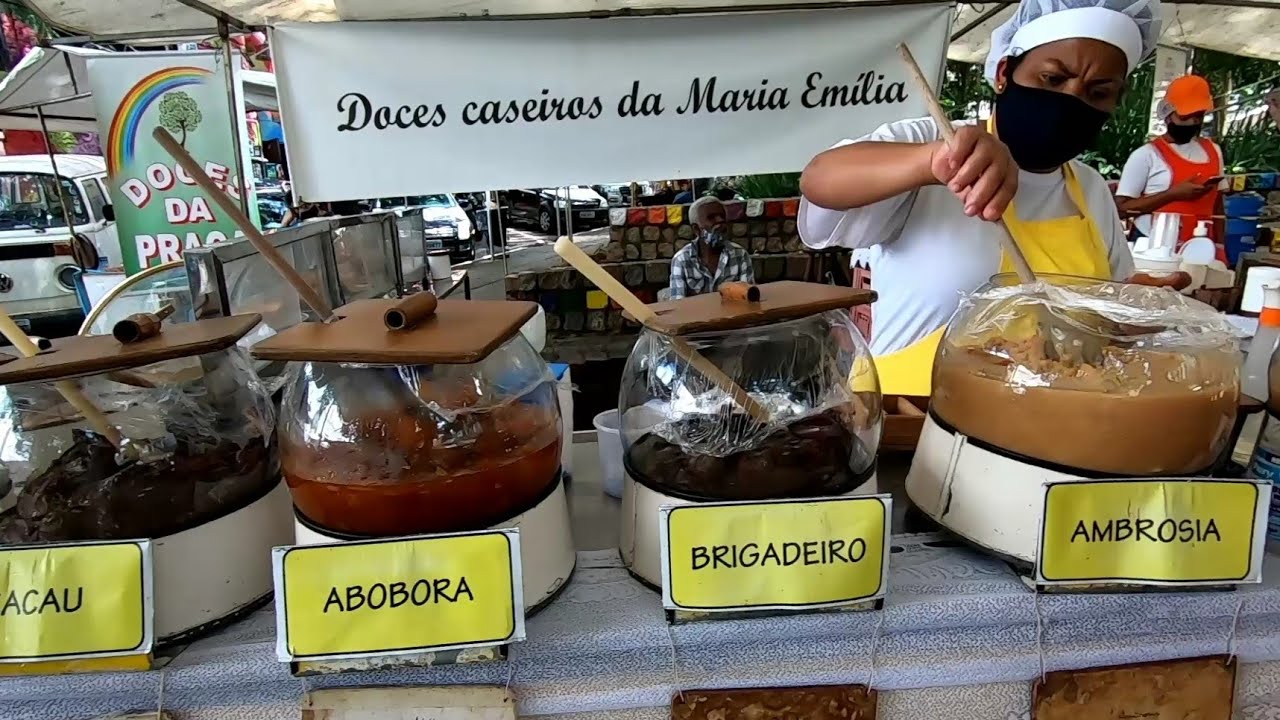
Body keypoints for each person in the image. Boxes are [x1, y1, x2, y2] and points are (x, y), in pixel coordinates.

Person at [798, 0, 1160, 397]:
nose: (1072, 101)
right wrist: (934, 162)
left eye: (1098, 92)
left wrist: (1139, 305)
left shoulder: (1090, 189)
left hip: (1048, 427)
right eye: (1053, 79)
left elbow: (1109, 307)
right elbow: (820, 179)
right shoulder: (935, 143)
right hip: (913, 428)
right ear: (1005, 72)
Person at [1116, 74, 1224, 254]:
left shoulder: (1213, 151)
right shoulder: (1146, 155)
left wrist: (1220, 245)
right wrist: (1172, 194)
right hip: (1153, 246)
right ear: (1167, 115)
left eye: (1198, 117)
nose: (1192, 122)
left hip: (1200, 247)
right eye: (1185, 117)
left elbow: (1218, 205)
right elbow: (1121, 209)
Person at [669, 196, 754, 299]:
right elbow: (679, 306)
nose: (720, 220)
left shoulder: (740, 255)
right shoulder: (682, 260)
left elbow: (748, 299)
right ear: (697, 230)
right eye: (711, 217)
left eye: (722, 216)